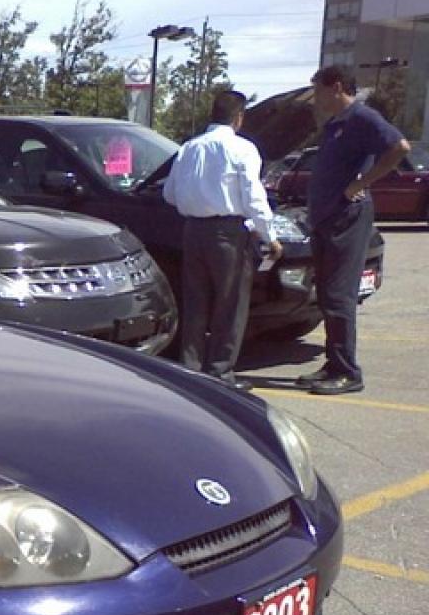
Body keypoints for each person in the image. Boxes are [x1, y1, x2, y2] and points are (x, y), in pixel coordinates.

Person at [299, 65, 409, 395]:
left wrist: (361, 183)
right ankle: (333, 363)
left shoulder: (362, 117)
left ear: (336, 87)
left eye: (318, 90)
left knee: (338, 295)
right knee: (327, 295)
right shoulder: (335, 124)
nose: (315, 98)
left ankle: (348, 372)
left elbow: (399, 147)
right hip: (326, 220)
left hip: (347, 218)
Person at [164, 90, 281, 392]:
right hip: (228, 233)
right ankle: (220, 374)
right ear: (238, 117)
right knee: (230, 305)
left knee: (195, 303)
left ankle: (190, 370)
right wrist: (269, 235)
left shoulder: (189, 148)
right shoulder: (242, 148)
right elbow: (254, 196)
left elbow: (170, 194)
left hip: (192, 230)